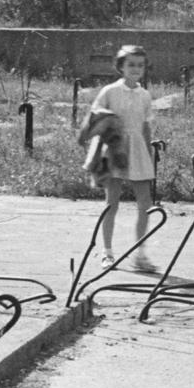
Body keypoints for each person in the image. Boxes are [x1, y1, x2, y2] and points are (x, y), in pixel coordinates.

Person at [77, 44, 157, 270]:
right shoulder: (110, 91)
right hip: (114, 149)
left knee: (145, 204)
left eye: (140, 65)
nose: (136, 69)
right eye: (131, 64)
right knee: (111, 203)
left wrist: (148, 153)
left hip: (138, 149)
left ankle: (140, 255)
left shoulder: (145, 95)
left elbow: (145, 126)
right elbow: (94, 118)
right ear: (121, 66)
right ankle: (107, 252)